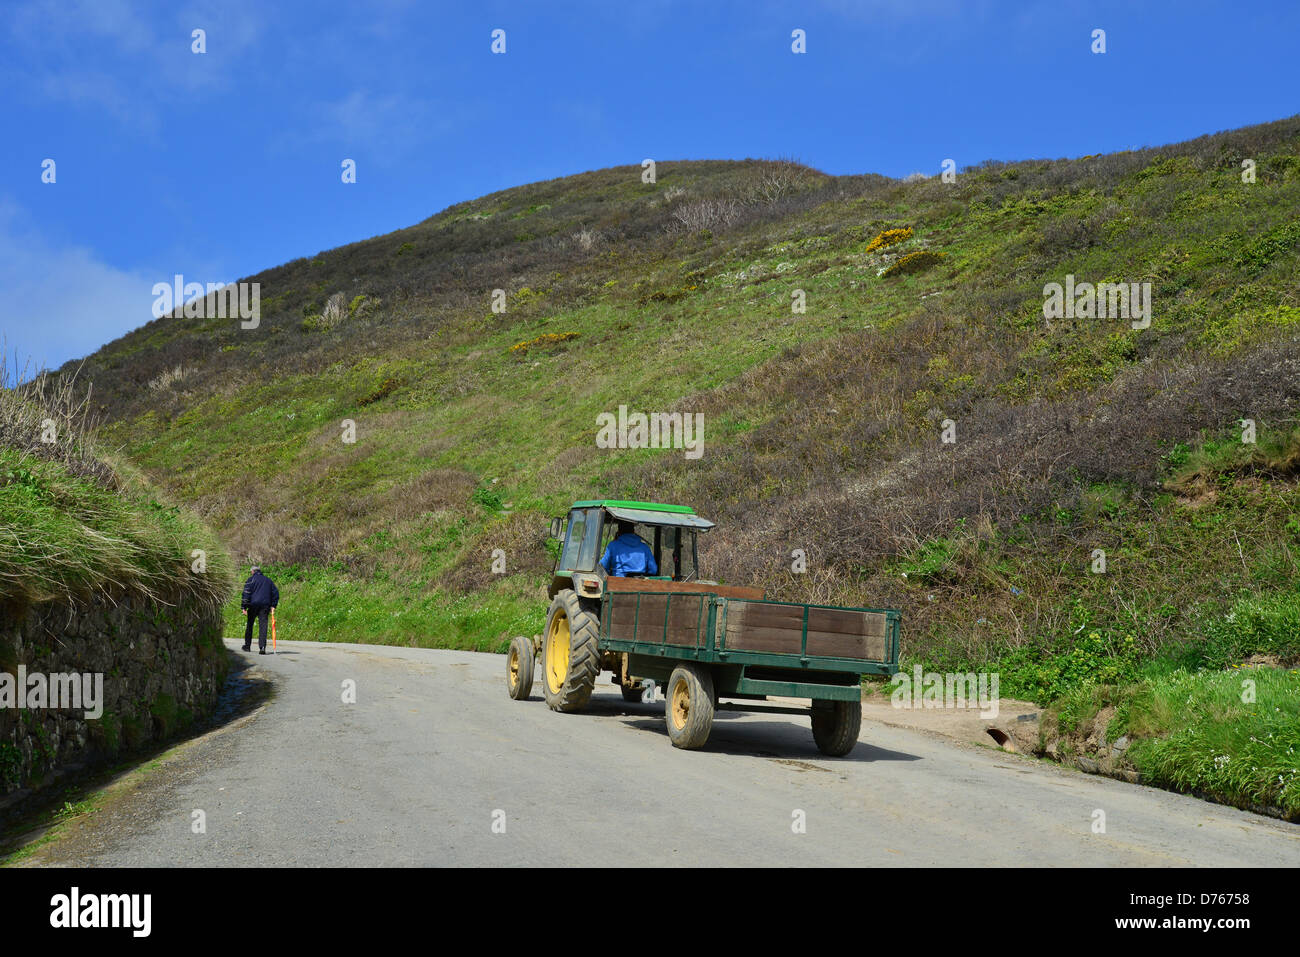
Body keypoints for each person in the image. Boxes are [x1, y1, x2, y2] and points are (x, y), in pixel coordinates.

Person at [240, 565, 280, 654]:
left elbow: (246, 594)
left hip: (253, 605)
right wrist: (273, 605)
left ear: (252, 572)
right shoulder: (268, 580)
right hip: (265, 606)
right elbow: (276, 593)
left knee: (250, 625)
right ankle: (262, 648)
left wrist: (244, 607)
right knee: (263, 626)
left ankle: (247, 646)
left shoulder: (250, 580)